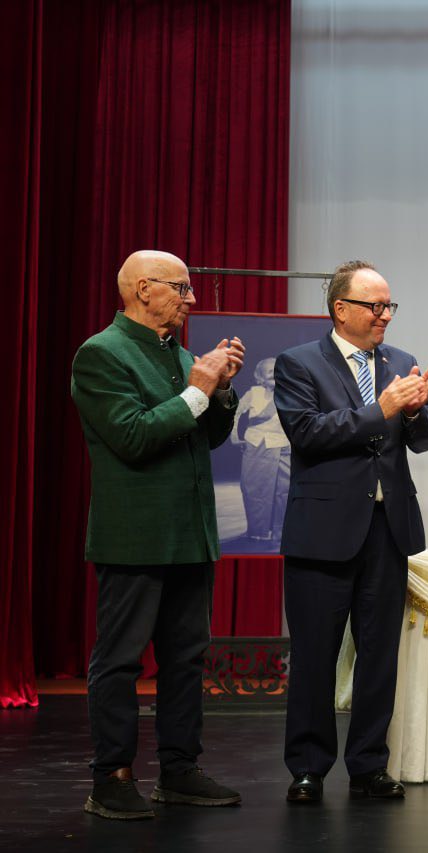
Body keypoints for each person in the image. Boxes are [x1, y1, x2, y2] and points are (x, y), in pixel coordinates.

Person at [71, 250, 245, 820]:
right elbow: (133, 437)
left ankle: (179, 769)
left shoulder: (181, 354)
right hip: (136, 536)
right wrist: (197, 390)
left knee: (186, 659)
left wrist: (221, 391)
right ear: (143, 288)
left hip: (190, 534)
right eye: (181, 288)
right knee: (121, 660)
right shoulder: (102, 353)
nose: (190, 299)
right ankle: (111, 777)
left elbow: (207, 437)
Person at [274, 259, 428, 804]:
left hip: (386, 531)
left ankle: (369, 764)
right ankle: (308, 768)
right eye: (374, 305)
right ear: (340, 308)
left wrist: (414, 413)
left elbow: (426, 439)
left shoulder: (401, 362)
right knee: (315, 656)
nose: (384, 315)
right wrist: (382, 408)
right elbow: (307, 433)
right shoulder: (300, 363)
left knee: (378, 656)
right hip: (323, 532)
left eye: (389, 305)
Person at [229, 356, 289, 543]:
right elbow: (235, 412)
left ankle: (280, 532)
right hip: (257, 447)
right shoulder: (253, 393)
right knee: (255, 490)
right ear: (260, 377)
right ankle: (258, 531)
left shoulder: (291, 393)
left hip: (284, 446)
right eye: (269, 371)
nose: (274, 375)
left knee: (284, 492)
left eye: (277, 370)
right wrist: (234, 436)